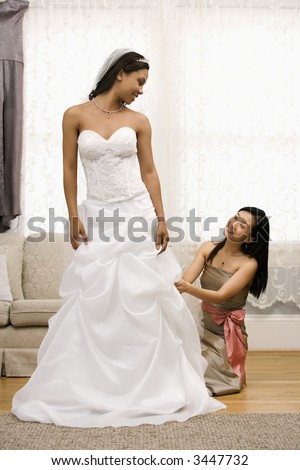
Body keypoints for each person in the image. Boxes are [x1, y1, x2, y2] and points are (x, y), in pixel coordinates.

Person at [12, 48, 225, 427]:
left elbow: (149, 171)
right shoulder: (74, 115)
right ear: (121, 74)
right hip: (97, 214)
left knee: (139, 295)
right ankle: (95, 386)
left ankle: (150, 385)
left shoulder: (140, 121)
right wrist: (73, 215)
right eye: (140, 81)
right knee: (96, 298)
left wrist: (161, 218)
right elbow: (67, 167)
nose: (142, 90)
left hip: (137, 214)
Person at [175, 207, 269, 396]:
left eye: (242, 225)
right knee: (176, 355)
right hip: (202, 327)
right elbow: (186, 279)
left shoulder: (248, 264)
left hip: (224, 336)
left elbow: (220, 296)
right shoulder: (207, 248)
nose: (234, 224)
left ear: (250, 238)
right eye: (235, 217)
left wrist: (187, 288)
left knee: (197, 367)